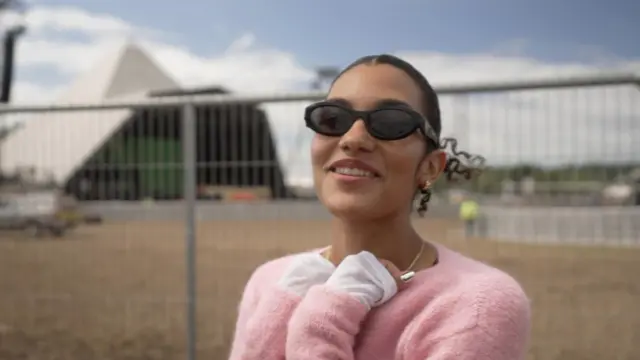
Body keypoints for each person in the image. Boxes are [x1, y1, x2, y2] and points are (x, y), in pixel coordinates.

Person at [228, 54, 530, 360]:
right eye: (332, 118)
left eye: (391, 122)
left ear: (429, 168)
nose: (353, 139)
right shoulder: (272, 281)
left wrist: (321, 322)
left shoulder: (475, 303)